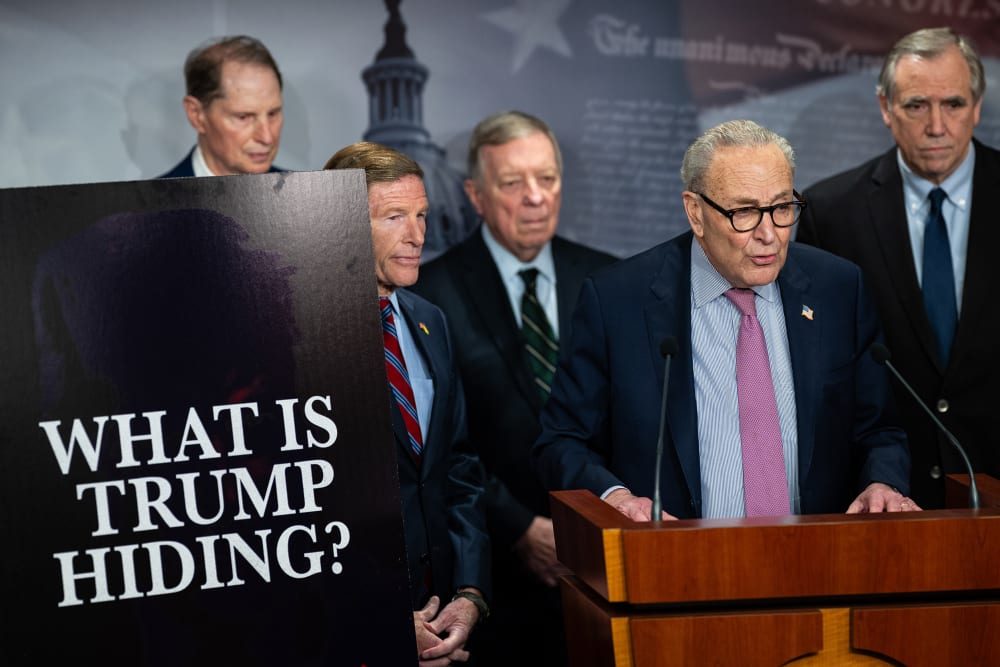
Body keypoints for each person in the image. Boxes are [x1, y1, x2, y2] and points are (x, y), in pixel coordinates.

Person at [531, 119, 918, 523]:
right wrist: (616, 497)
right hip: (675, 566)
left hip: (820, 565)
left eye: (783, 207)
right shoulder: (618, 302)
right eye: (746, 212)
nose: (769, 233)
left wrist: (882, 483)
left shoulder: (838, 290)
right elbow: (562, 442)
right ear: (695, 213)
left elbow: (880, 430)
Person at [411, 110, 616, 666]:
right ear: (475, 195)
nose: (535, 197)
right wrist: (520, 527)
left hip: (607, 566)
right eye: (513, 183)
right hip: (493, 580)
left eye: (547, 179)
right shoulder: (430, 298)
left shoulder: (610, 279)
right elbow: (433, 444)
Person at [796, 27, 1000, 510]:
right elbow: (820, 373)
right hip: (884, 499)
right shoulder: (829, 213)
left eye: (952, 104)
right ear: (886, 108)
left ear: (976, 105)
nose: (936, 126)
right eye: (915, 106)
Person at [324, 141, 490, 665]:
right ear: (342, 224)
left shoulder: (429, 320)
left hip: (442, 617)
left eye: (421, 216)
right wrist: (381, 614)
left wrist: (468, 595)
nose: (418, 236)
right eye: (394, 216)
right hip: (348, 631)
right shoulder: (303, 339)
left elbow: (457, 467)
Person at [160, 35, 284, 177]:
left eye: (273, 114)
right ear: (196, 115)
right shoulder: (152, 199)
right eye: (243, 117)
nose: (267, 138)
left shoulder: (302, 196)